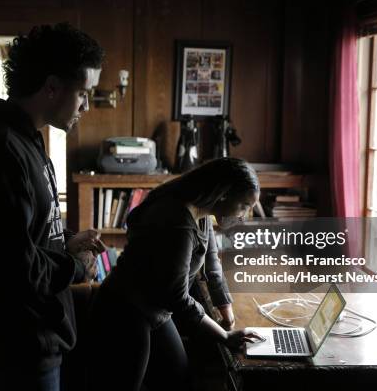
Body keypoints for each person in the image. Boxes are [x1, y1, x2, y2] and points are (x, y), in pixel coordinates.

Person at [0, 23, 106, 391]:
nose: (86, 106)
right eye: (83, 93)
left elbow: (22, 237)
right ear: (52, 87)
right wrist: (75, 266)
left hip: (31, 340)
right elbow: (13, 268)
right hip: (10, 351)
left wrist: (64, 242)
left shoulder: (27, 141)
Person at [88, 157, 262, 391]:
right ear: (224, 194)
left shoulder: (202, 214)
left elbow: (213, 267)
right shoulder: (178, 222)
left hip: (156, 310)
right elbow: (176, 297)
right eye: (244, 206)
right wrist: (225, 336)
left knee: (178, 379)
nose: (243, 215)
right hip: (127, 310)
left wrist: (228, 317)